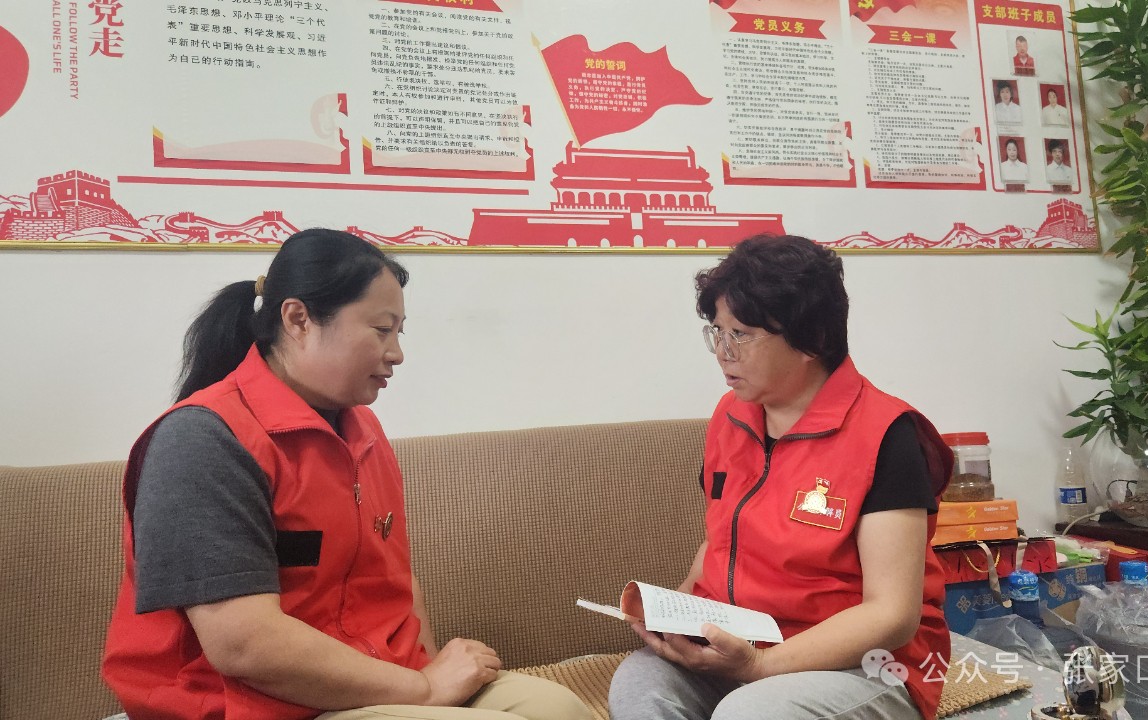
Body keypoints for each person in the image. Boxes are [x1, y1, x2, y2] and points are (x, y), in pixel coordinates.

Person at [101, 228, 590, 720]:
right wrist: (424, 691)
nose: (396, 353)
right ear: (298, 319)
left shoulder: (362, 429)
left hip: (375, 681)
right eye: (381, 330)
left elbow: (397, 580)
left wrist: (432, 676)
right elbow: (243, 644)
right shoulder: (203, 439)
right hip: (250, 702)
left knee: (559, 708)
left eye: (399, 333)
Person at [608, 235, 954, 720]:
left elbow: (892, 613)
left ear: (812, 338)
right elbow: (720, 537)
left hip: (861, 663)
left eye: (741, 334)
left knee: (748, 714)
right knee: (640, 685)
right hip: (740, 646)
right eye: (717, 331)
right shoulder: (731, 416)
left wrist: (761, 666)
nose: (723, 352)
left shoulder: (885, 433)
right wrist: (678, 610)